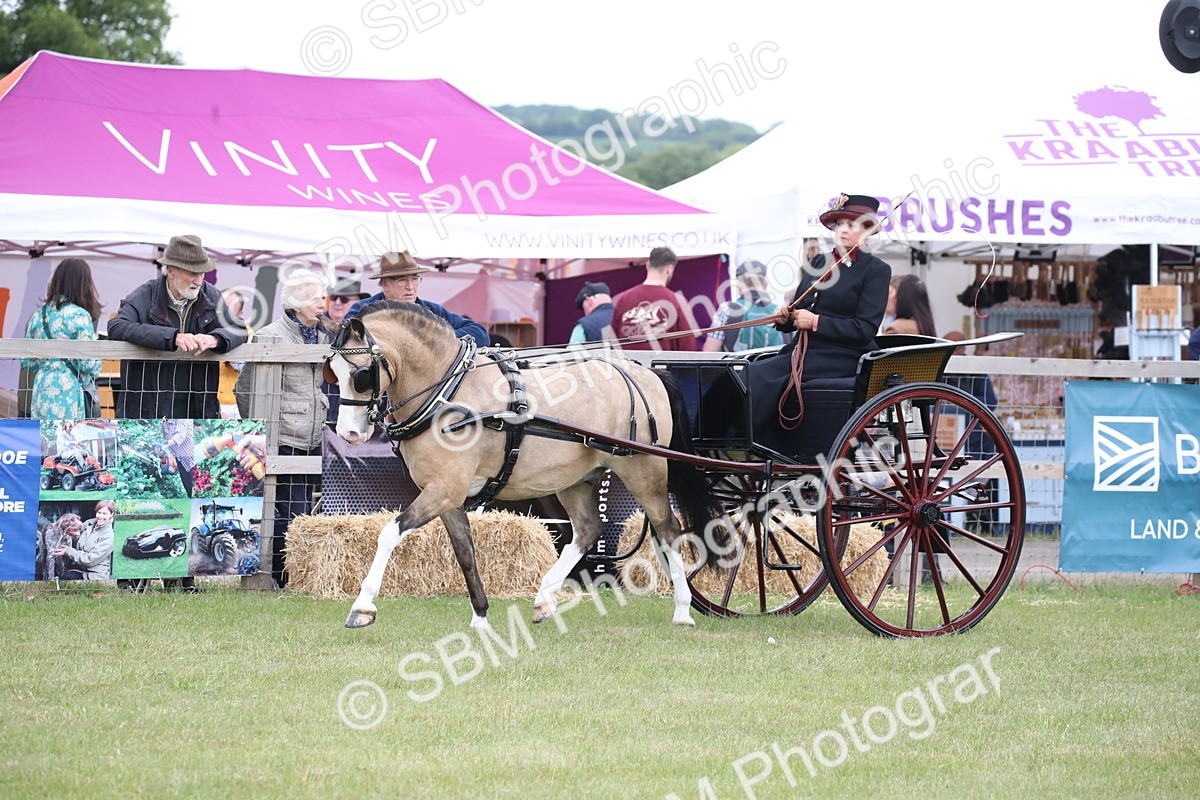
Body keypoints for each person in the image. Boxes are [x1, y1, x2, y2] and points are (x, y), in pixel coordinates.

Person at [748, 193, 892, 457]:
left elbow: (864, 329)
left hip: (845, 355)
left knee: (764, 376)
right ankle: (754, 445)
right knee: (750, 371)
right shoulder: (819, 262)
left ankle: (764, 447)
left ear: (867, 230)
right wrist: (786, 318)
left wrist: (816, 322)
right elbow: (799, 312)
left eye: (852, 224)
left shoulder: (876, 270)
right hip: (805, 350)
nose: (843, 230)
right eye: (840, 224)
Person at [236, 272, 329, 589]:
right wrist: (260, 434)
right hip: (283, 437)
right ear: (299, 303)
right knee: (287, 510)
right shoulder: (269, 335)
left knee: (303, 509)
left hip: (313, 435)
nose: (323, 304)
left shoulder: (323, 336)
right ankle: (279, 574)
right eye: (317, 299)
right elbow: (244, 389)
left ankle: (295, 575)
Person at [107, 234, 250, 419]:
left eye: (202, 273)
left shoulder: (210, 295)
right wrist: (172, 337)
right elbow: (117, 327)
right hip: (147, 414)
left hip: (199, 413)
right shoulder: (145, 295)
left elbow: (239, 328)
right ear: (171, 270)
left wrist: (215, 338)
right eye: (192, 273)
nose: (199, 280)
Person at [344, 251, 489, 347]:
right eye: (402, 280)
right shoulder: (363, 310)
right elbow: (345, 337)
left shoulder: (432, 310)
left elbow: (481, 334)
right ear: (384, 284)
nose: (410, 286)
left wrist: (438, 337)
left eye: (415, 279)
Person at [20, 258, 103, 420]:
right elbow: (88, 365)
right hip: (67, 390)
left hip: (41, 387)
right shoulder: (79, 316)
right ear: (83, 284)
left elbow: (27, 362)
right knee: (68, 440)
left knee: (44, 440)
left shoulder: (38, 316)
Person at [610, 246, 697, 351]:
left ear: (647, 265)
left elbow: (612, 342)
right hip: (663, 366)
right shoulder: (678, 301)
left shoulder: (623, 299)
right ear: (669, 269)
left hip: (627, 367)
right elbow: (687, 347)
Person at [703, 259, 785, 353]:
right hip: (774, 367)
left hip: (738, 367)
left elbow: (709, 352)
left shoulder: (727, 309)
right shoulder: (782, 311)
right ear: (765, 285)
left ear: (739, 285)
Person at [54, 499, 115, 581]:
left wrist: (68, 551)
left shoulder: (108, 536)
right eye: (99, 512)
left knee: (67, 580)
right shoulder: (89, 523)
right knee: (63, 578)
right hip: (79, 568)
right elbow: (74, 530)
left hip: (94, 573)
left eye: (104, 514)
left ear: (111, 514)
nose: (100, 516)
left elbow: (90, 560)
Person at [36, 512, 82, 581]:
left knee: (64, 557)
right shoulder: (50, 532)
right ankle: (47, 579)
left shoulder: (67, 533)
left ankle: (62, 577)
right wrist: (51, 580)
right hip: (47, 546)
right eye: (75, 530)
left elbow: (66, 555)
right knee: (45, 559)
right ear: (64, 524)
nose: (78, 533)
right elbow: (50, 557)